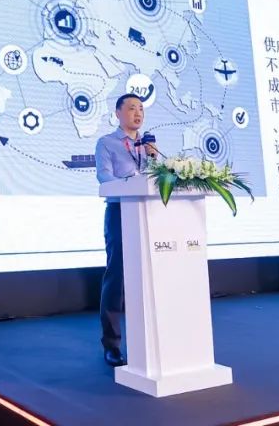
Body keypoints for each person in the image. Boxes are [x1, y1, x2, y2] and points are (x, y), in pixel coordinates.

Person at [94, 93, 157, 368]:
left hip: (150, 214)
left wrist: (154, 160)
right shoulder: (106, 143)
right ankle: (112, 345)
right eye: (132, 108)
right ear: (118, 113)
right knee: (117, 277)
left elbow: (158, 178)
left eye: (141, 108)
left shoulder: (148, 146)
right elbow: (104, 176)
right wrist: (130, 184)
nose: (138, 112)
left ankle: (152, 343)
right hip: (120, 212)